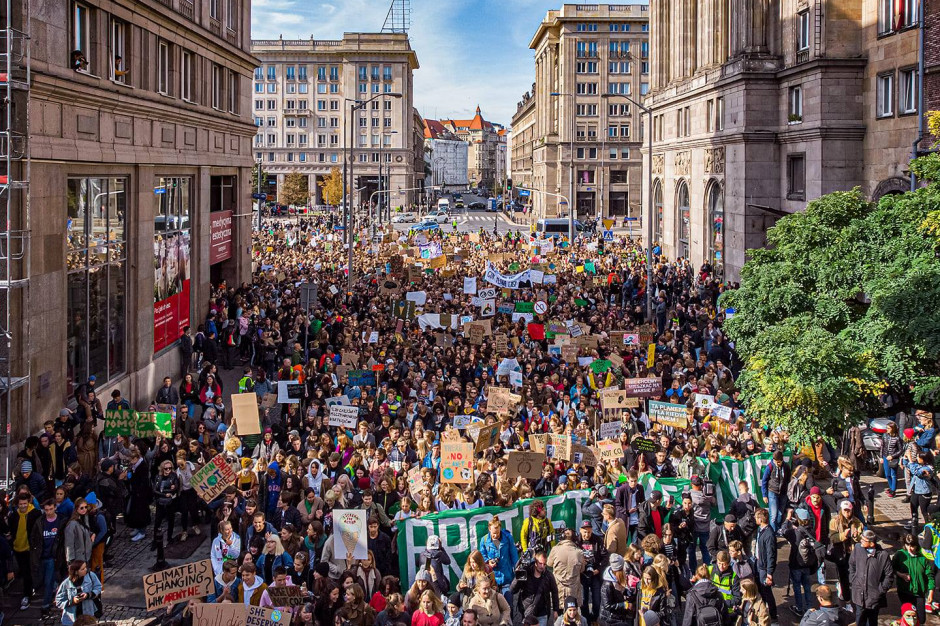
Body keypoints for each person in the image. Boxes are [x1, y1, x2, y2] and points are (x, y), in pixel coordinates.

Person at [847, 530, 894, 626]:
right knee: (860, 620)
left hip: (874, 598)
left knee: (872, 622)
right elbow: (852, 564)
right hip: (859, 595)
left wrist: (880, 591)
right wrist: (853, 579)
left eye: (864, 540)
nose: (861, 542)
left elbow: (889, 576)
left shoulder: (883, 555)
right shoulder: (857, 548)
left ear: (872, 543)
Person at [892, 533, 935, 625]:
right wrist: (901, 575)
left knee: (921, 619)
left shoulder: (922, 558)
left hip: (919, 593)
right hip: (905, 592)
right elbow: (892, 569)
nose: (910, 548)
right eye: (907, 545)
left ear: (916, 545)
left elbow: (930, 576)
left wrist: (931, 593)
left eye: (912, 546)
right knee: (909, 617)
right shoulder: (900, 555)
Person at [8, 492, 40, 609]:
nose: (22, 506)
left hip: (30, 548)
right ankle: (29, 589)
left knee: (28, 571)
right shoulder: (13, 515)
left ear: (29, 502)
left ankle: (27, 594)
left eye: (24, 503)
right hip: (17, 547)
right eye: (20, 504)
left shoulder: (35, 514)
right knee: (24, 570)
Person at [511, 550, 560, 626]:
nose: (542, 566)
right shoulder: (526, 572)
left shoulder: (549, 576)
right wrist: (518, 576)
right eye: (540, 563)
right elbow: (513, 590)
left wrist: (556, 610)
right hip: (527, 612)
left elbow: (554, 592)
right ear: (535, 563)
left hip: (543, 613)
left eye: (544, 564)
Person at [479, 517, 518, 605]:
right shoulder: (484, 540)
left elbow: (514, 554)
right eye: (493, 533)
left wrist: (516, 569)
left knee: (508, 604)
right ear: (489, 529)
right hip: (492, 579)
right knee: (494, 606)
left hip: (506, 577)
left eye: (497, 533)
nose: (496, 535)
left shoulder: (507, 537)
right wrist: (488, 561)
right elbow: (482, 556)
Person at [54, 559, 102, 626]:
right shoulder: (66, 583)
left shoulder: (91, 575)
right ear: (76, 572)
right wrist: (72, 601)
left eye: (85, 567)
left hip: (88, 616)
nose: (86, 570)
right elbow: (58, 601)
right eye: (82, 569)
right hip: (72, 619)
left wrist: (88, 595)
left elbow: (98, 587)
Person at [546, 525, 585, 604]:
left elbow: (549, 564)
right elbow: (582, 569)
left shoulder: (555, 549)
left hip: (559, 589)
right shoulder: (579, 552)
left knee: (559, 613)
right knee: (573, 613)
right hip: (574, 591)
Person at [759, 451, 789, 533]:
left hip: (783, 493)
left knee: (780, 514)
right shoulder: (769, 467)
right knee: (773, 515)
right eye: (776, 461)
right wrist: (764, 495)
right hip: (772, 492)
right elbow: (764, 481)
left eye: (779, 462)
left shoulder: (786, 466)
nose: (778, 463)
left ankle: (778, 530)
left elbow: (788, 479)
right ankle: (772, 533)